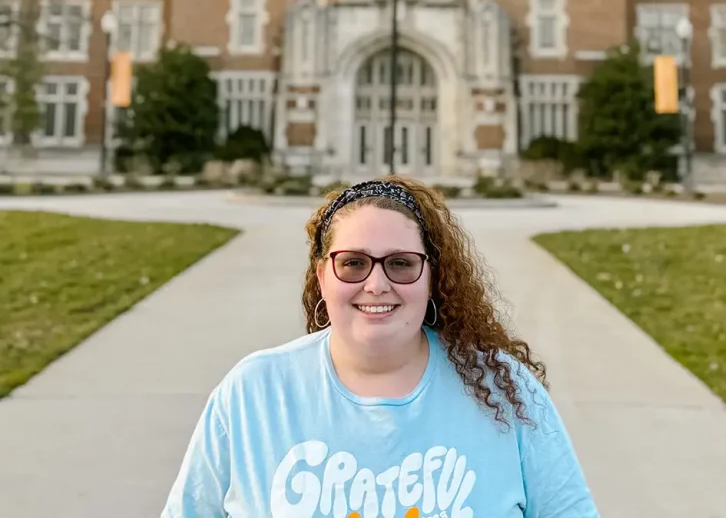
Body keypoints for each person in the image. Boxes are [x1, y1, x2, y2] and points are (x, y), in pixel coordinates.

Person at [161, 177, 600, 517]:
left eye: (400, 264)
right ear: (321, 277)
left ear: (432, 277)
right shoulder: (252, 394)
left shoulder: (505, 390)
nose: (376, 284)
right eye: (352, 263)